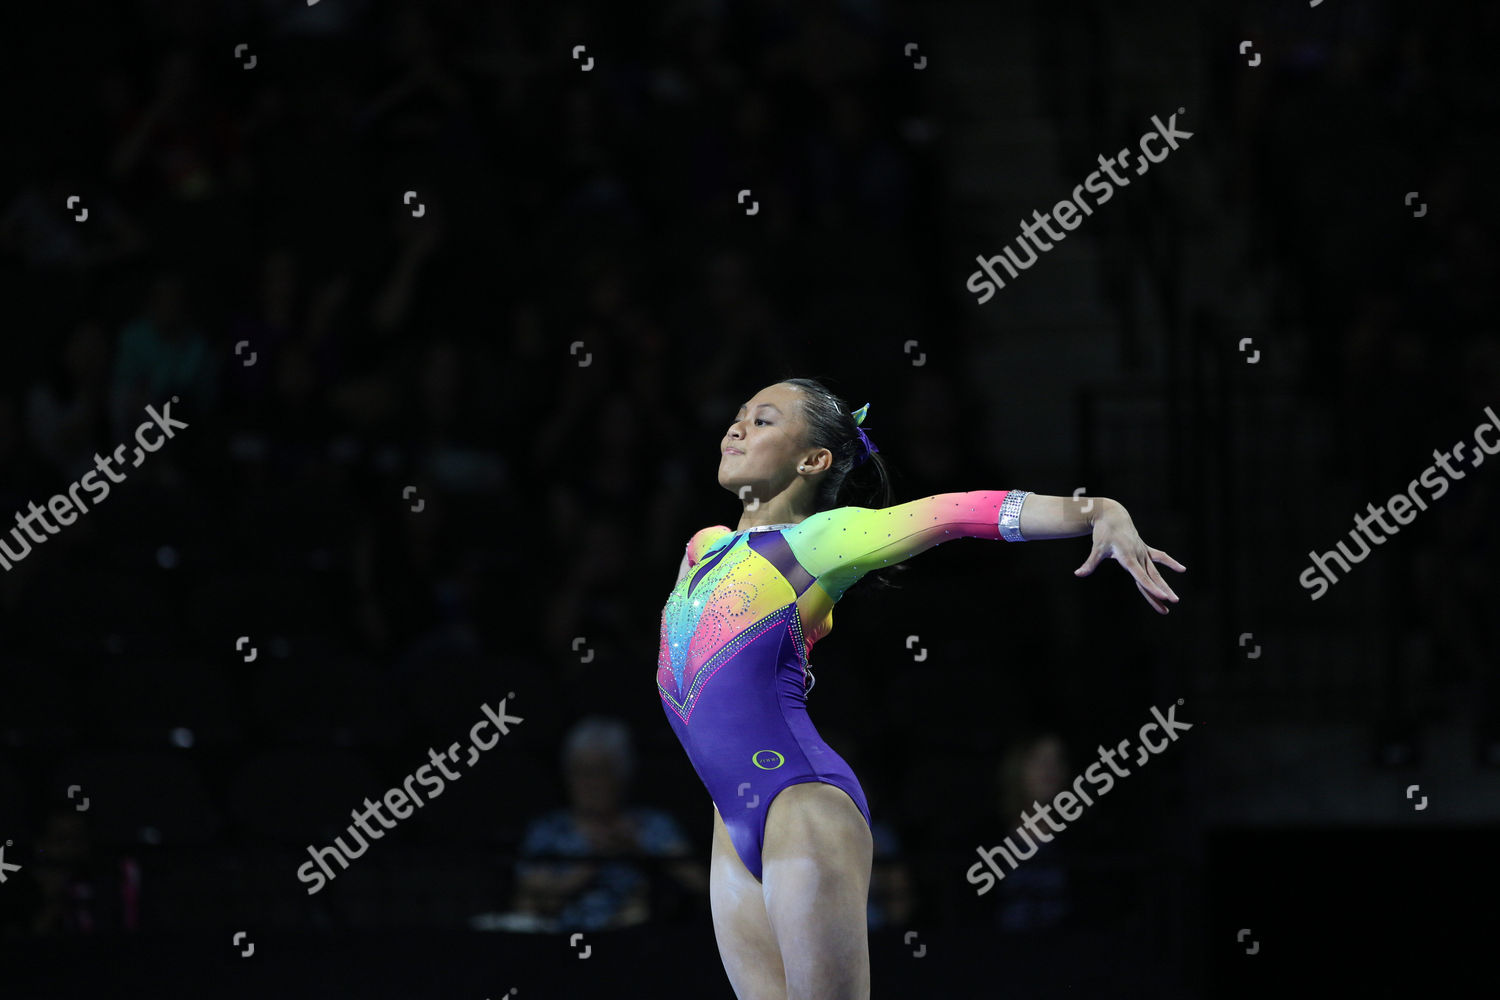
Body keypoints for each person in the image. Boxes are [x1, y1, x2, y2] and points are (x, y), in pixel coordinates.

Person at [657, 378, 1185, 999]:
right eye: (739, 415)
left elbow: (955, 514)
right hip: (728, 819)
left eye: (763, 420)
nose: (737, 427)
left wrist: (1098, 511)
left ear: (814, 460)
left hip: (799, 806)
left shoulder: (820, 541)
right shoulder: (705, 546)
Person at [509, 716, 706, 931]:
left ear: (622, 774)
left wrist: (637, 852)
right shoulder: (548, 830)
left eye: (600, 772)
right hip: (563, 946)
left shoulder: (653, 826)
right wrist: (592, 862)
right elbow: (531, 901)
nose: (589, 784)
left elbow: (701, 886)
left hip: (641, 944)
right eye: (580, 772)